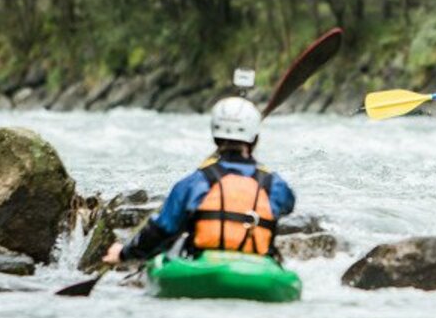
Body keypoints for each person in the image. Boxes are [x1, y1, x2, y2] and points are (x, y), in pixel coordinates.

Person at [102, 97, 295, 265]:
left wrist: (123, 254)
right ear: (255, 139)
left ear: (215, 138)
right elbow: (288, 205)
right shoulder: (274, 185)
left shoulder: (194, 183)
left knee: (176, 238)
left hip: (202, 265)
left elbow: (161, 230)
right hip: (258, 268)